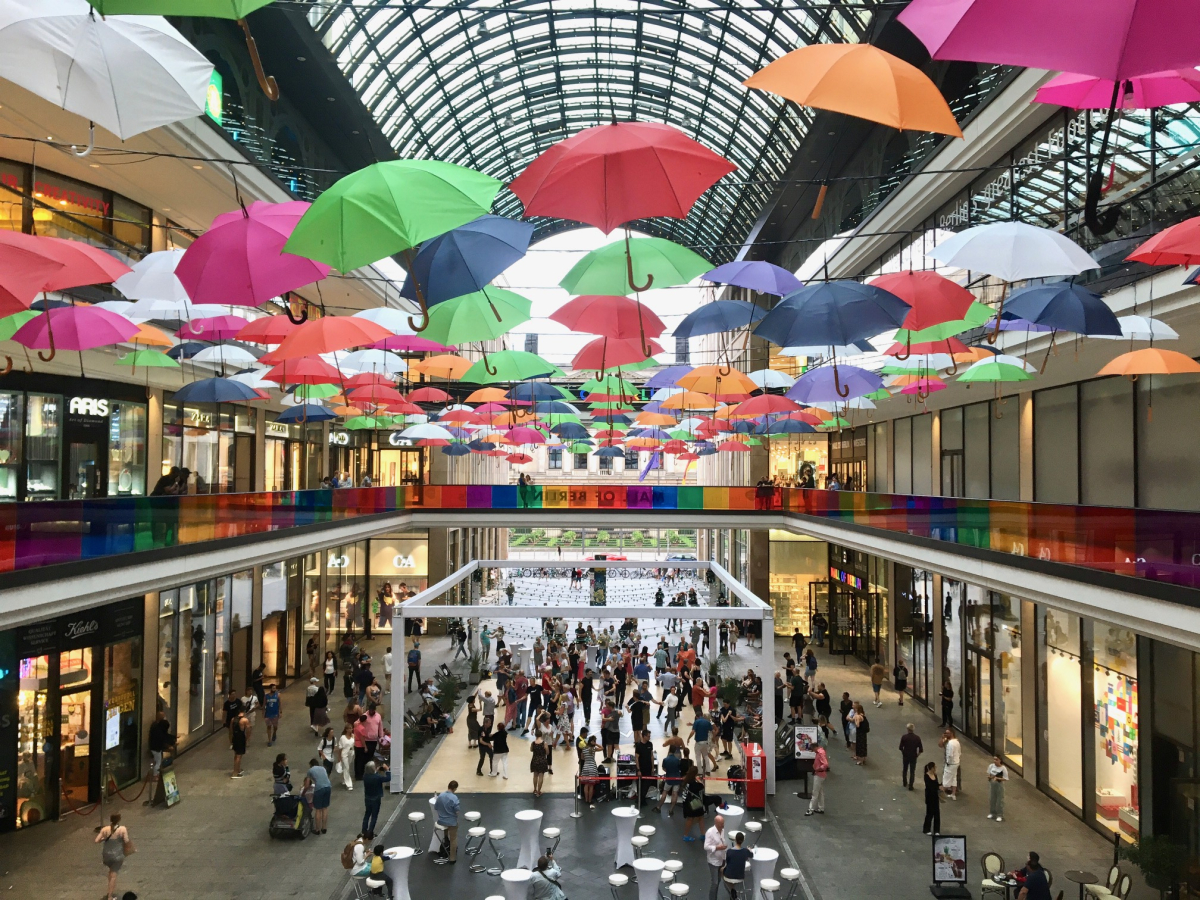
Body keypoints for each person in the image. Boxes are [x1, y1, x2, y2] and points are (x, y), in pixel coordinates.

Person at [95, 813, 132, 900]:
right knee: (113, 875)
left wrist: (104, 839)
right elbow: (126, 840)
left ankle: (109, 889)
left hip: (106, 854)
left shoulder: (105, 829)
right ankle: (110, 896)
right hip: (117, 855)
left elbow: (96, 840)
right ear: (119, 819)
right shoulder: (122, 829)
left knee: (110, 872)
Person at [361, 761, 390, 837]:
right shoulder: (377, 777)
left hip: (367, 798)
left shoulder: (365, 776)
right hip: (376, 798)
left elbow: (373, 774)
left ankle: (364, 830)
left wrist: (376, 770)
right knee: (374, 816)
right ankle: (370, 832)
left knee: (367, 814)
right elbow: (388, 778)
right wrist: (387, 770)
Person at [434, 780, 460, 863]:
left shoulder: (441, 796)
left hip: (441, 821)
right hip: (451, 822)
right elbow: (457, 811)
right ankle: (452, 858)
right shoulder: (454, 798)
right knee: (453, 839)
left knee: (446, 830)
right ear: (455, 788)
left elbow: (436, 807)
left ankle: (445, 840)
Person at [704, 813, 728, 900]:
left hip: (721, 859)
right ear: (716, 823)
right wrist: (717, 848)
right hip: (713, 861)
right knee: (715, 882)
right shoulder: (710, 832)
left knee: (718, 881)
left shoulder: (722, 830)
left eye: (723, 823)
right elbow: (706, 847)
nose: (723, 825)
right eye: (721, 824)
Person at [306, 756, 333, 834]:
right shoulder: (323, 768)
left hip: (319, 789)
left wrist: (304, 792)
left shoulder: (310, 770)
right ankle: (324, 828)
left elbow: (307, 785)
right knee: (325, 808)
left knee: (318, 809)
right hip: (328, 787)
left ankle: (317, 829)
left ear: (311, 765)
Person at [722, 832, 753, 900]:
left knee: (722, 871)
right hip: (740, 876)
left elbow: (727, 862)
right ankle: (733, 891)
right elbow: (751, 855)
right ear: (743, 840)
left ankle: (731, 890)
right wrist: (749, 850)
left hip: (729, 876)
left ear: (735, 840)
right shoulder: (745, 851)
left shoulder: (729, 851)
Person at [148, 710, 175, 779]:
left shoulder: (157, 726)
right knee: (158, 762)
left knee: (158, 761)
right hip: (156, 748)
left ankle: (156, 774)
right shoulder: (157, 728)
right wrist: (168, 745)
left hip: (155, 747)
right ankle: (155, 775)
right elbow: (161, 738)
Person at [899, 723, 924, 790]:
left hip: (906, 755)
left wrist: (903, 753)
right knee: (912, 771)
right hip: (913, 756)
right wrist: (917, 755)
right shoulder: (917, 738)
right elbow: (921, 750)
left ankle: (904, 782)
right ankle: (911, 785)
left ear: (907, 729)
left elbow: (900, 747)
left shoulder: (904, 737)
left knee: (905, 769)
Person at [939, 729, 961, 800]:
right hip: (956, 762)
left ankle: (941, 792)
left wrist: (948, 762)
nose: (946, 734)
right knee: (954, 778)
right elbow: (959, 752)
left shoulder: (950, 743)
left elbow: (950, 755)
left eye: (947, 733)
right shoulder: (957, 742)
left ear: (951, 733)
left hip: (950, 763)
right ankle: (953, 794)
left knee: (946, 779)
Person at [987, 755, 1008, 822]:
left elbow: (1005, 778)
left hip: (999, 785)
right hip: (992, 784)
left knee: (999, 800)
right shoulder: (991, 766)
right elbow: (989, 774)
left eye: (996, 760)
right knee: (992, 799)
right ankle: (992, 813)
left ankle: (999, 815)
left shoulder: (1003, 768)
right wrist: (990, 777)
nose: (995, 761)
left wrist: (998, 778)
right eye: (994, 759)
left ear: (1000, 760)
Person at [922, 762, 941, 835]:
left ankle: (936, 830)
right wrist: (937, 787)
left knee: (937, 813)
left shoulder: (935, 775)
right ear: (932, 768)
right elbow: (929, 786)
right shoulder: (926, 776)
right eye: (934, 767)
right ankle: (926, 829)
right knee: (929, 813)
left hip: (935, 796)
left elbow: (936, 784)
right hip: (929, 797)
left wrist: (941, 786)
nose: (935, 768)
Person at [530, 731, 550, 797]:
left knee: (535, 776)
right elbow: (547, 752)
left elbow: (531, 750)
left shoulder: (533, 743)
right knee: (541, 776)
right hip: (542, 760)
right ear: (541, 735)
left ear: (535, 735)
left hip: (534, 760)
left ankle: (534, 789)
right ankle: (539, 791)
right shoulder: (544, 743)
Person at [230, 707, 249, 777]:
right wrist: (247, 739)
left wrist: (230, 740)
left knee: (236, 754)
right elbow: (248, 730)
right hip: (241, 738)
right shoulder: (245, 720)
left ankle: (238, 769)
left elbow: (230, 730)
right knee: (239, 756)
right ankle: (235, 772)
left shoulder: (233, 719)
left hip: (235, 738)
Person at [337, 724, 356, 790]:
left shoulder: (353, 736)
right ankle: (349, 784)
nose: (351, 729)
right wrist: (339, 757)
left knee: (346, 767)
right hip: (344, 754)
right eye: (349, 728)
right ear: (346, 729)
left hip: (351, 753)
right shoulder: (343, 737)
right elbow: (340, 748)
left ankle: (343, 779)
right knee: (346, 767)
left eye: (351, 728)